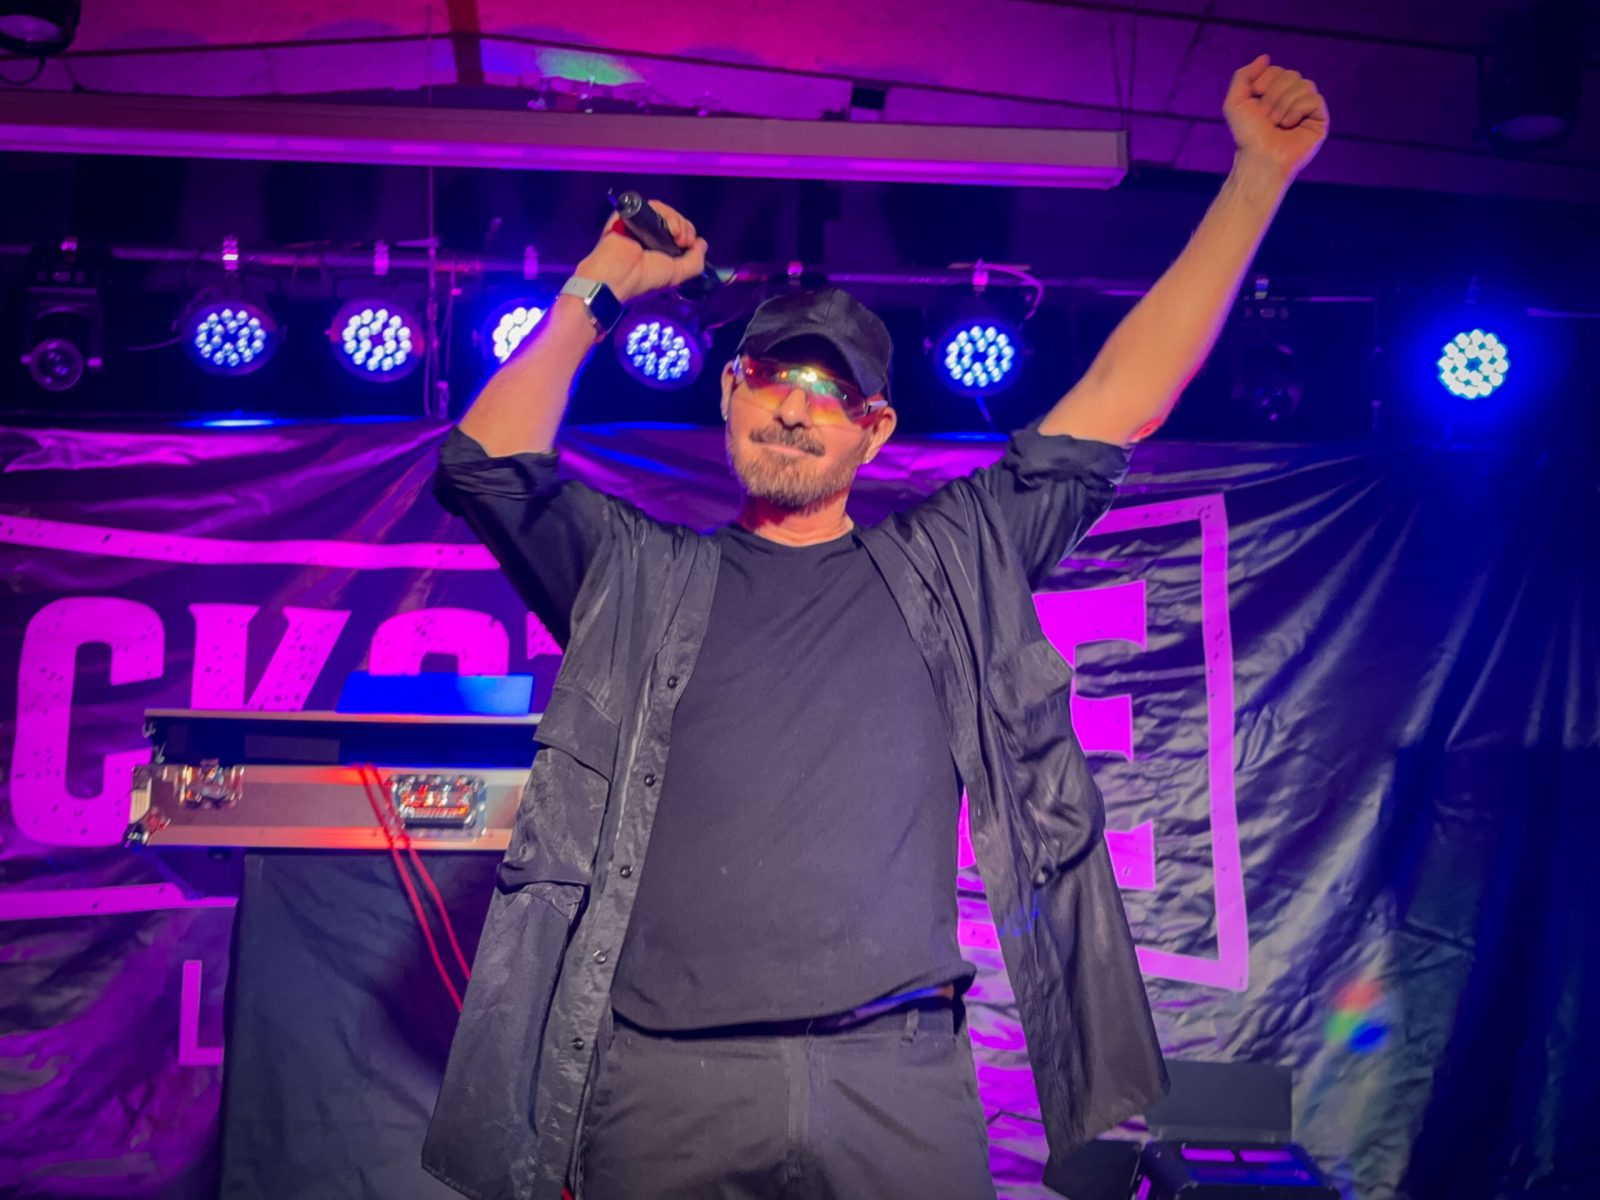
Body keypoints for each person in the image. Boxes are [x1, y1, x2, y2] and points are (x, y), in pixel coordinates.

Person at [422, 55, 1328, 1200]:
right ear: (729, 393)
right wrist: (603, 284)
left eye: (832, 394)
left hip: (894, 1080)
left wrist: (1255, 180)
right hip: (663, 1086)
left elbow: (1119, 398)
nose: (796, 408)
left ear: (874, 430)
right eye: (772, 377)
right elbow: (486, 465)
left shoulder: (952, 561)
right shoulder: (638, 575)